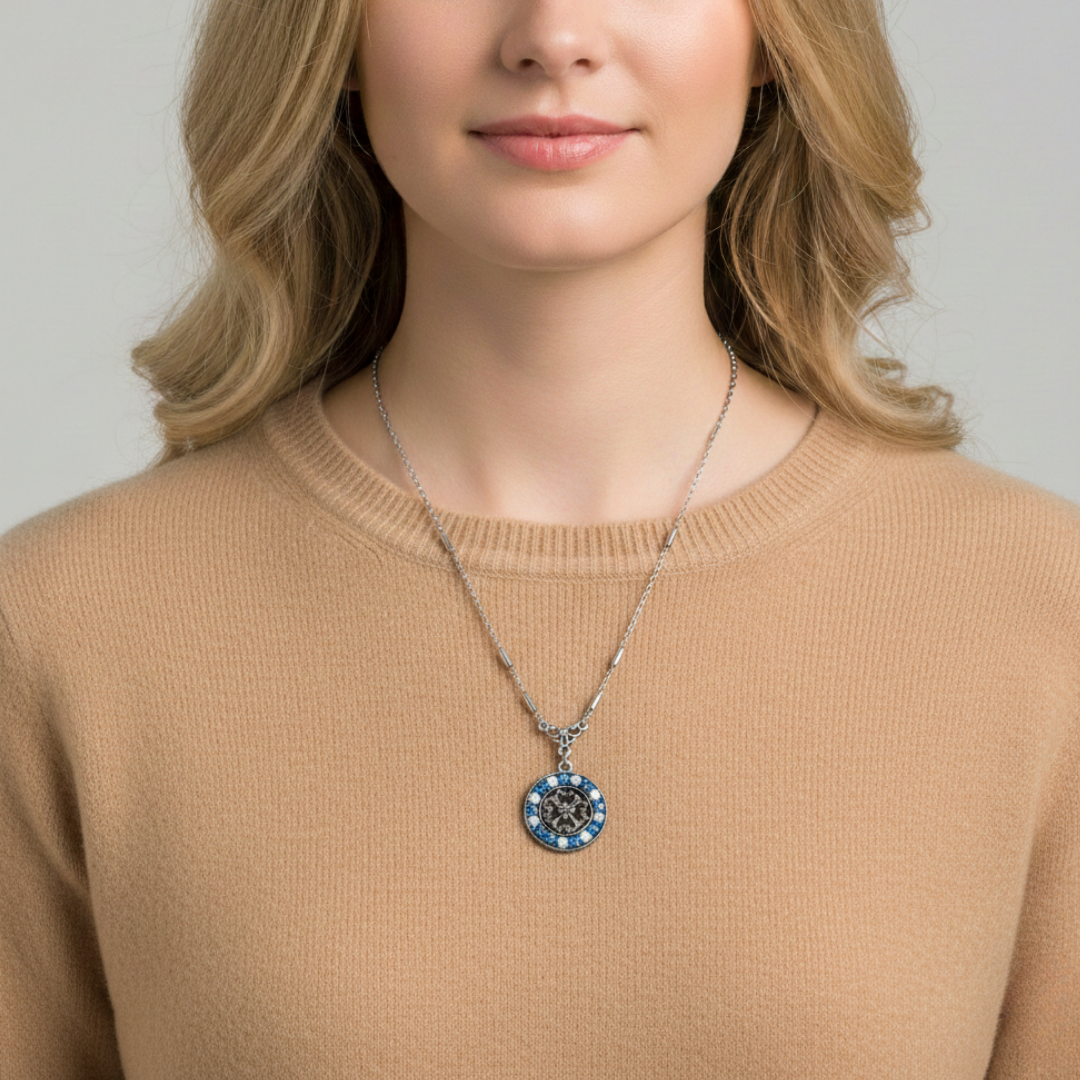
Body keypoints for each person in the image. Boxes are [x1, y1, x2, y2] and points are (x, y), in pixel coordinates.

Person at [1, 0, 1076, 1075]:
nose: (552, 36)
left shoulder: (1041, 615)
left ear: (775, 39)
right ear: (331, 38)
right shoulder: (60, 626)